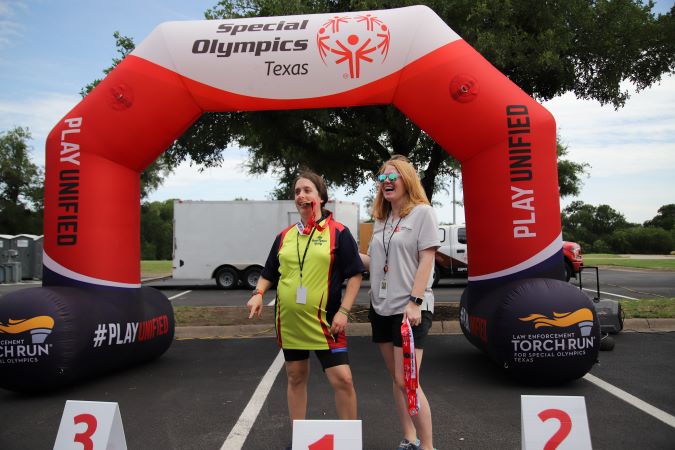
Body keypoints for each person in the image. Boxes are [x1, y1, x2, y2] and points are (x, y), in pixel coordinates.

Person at [247, 170, 364, 448]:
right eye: (297, 191)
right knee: (296, 377)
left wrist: (344, 311)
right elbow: (268, 272)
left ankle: (348, 441)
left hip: (327, 323)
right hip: (290, 323)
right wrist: (258, 293)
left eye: (307, 190)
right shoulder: (285, 236)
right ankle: (299, 440)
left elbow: (356, 274)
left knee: (343, 380)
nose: (301, 195)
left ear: (321, 198)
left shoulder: (339, 232)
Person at [360, 155, 440, 450]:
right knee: (397, 378)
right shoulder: (381, 220)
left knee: (408, 380)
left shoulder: (422, 213)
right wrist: (341, 248)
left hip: (410, 309)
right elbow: (373, 262)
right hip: (380, 307)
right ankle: (409, 438)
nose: (387, 182)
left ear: (407, 179)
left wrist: (415, 301)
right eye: (382, 179)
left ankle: (428, 446)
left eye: (393, 176)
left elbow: (427, 257)